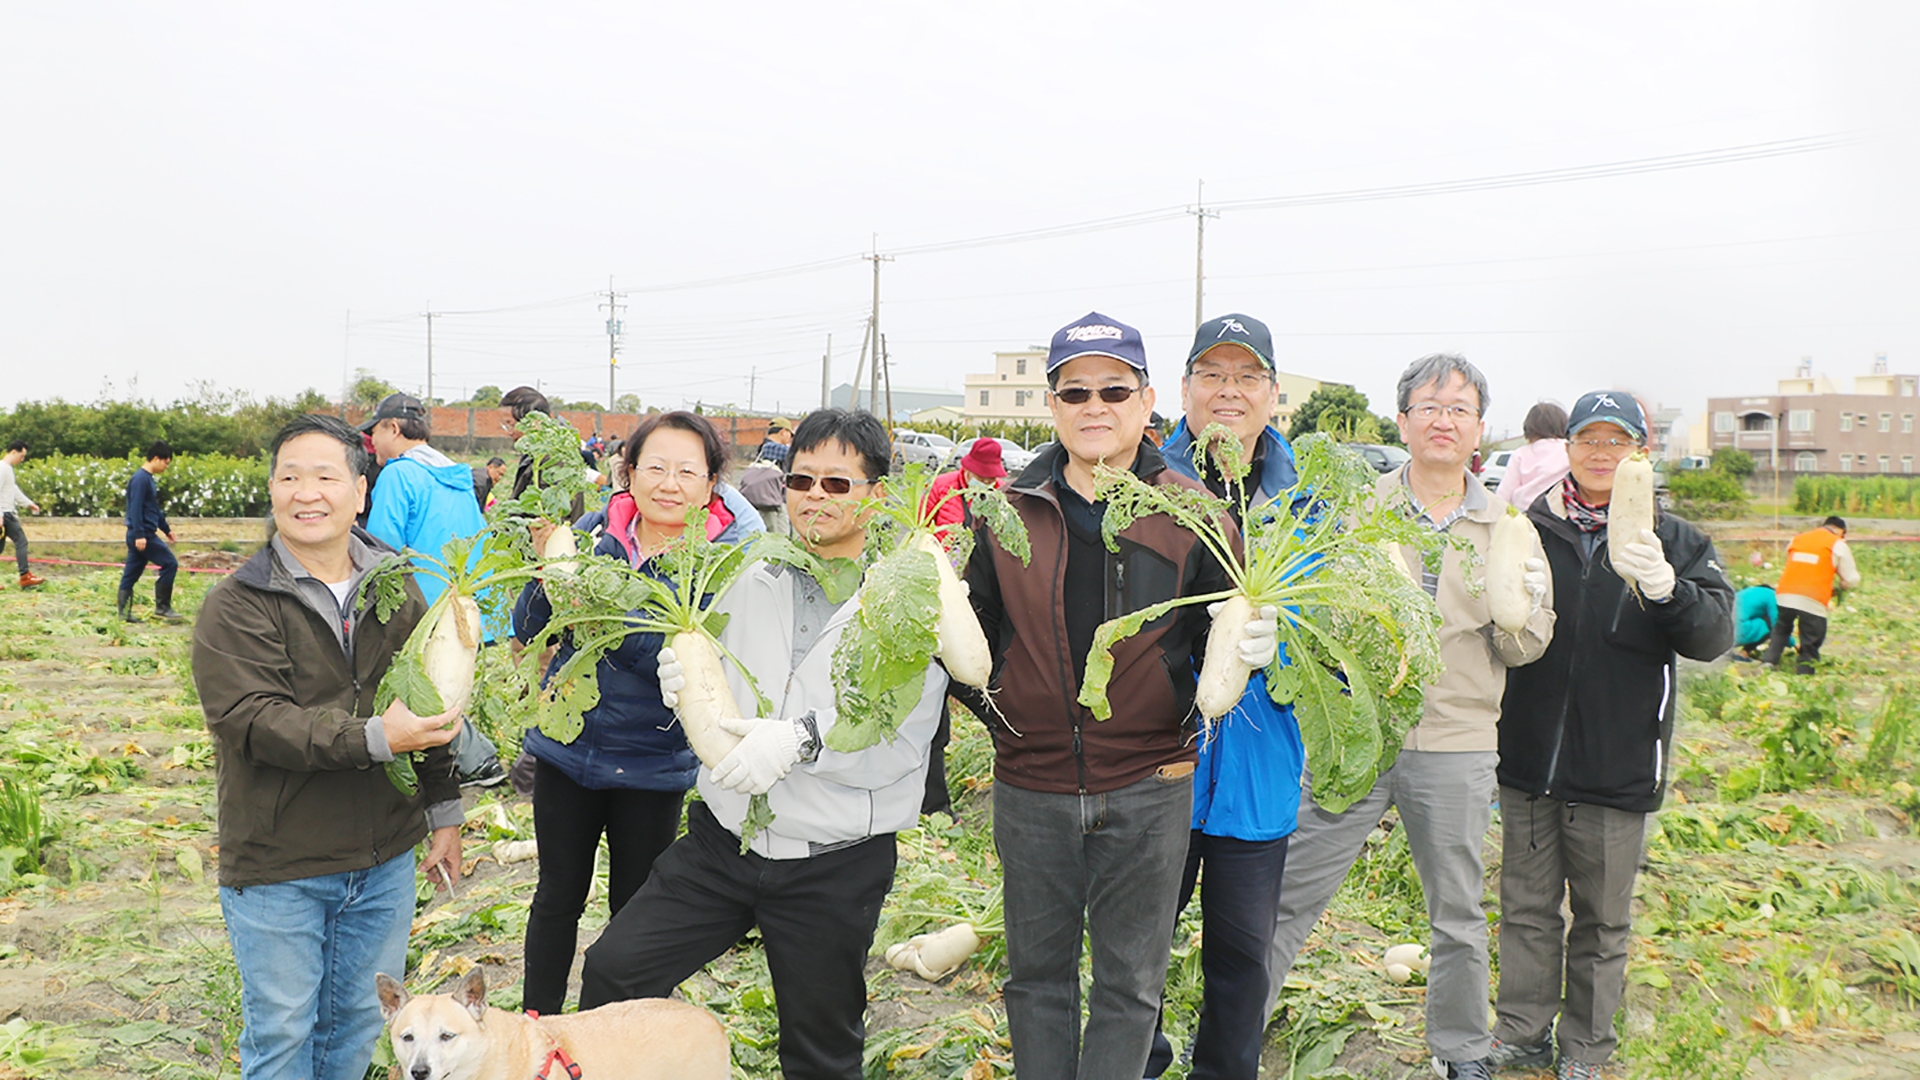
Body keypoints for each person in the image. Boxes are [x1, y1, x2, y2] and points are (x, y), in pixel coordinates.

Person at [579, 409, 946, 1080]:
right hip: (724, 842)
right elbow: (717, 670)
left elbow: (901, 739)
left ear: (878, 494)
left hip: (833, 860)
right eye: (802, 480)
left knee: (819, 1046)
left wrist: (802, 741)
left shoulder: (908, 596)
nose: (814, 497)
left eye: (838, 484)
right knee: (613, 972)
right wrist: (683, 676)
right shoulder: (753, 569)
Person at [959, 312, 1253, 1079]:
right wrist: (1003, 719)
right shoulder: (1003, 509)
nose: (1095, 406)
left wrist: (1241, 659)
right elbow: (969, 642)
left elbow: (1222, 637)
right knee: (1036, 981)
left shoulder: (1198, 514)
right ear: (1052, 405)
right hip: (1032, 785)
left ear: (1146, 400)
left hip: (1151, 784)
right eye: (1075, 390)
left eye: (1114, 390)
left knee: (1130, 987)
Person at [1265, 354, 1554, 1080]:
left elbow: (1528, 643)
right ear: (1403, 421)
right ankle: (1236, 1030)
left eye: (1458, 408)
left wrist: (1509, 611)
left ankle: (1461, 1051)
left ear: (1480, 429)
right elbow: (1320, 607)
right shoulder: (1357, 511)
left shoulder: (1508, 526)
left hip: (1457, 740)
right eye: (1428, 406)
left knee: (1456, 910)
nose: (1443, 419)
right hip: (1358, 735)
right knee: (1289, 891)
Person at [191, 413, 464, 1080]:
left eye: (324, 476)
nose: (306, 493)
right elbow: (252, 721)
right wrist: (375, 737)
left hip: (384, 863)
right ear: (272, 490)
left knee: (355, 1032)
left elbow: (427, 700)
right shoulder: (237, 603)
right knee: (283, 1034)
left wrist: (446, 811)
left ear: (360, 490)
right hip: (282, 864)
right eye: (289, 477)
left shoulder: (396, 587)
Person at [1493, 390, 1733, 1080]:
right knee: (1527, 911)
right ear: (1567, 448)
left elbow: (1713, 636)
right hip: (1529, 759)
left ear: (1640, 453)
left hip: (1619, 763)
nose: (1601, 455)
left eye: (1616, 442)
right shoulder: (1527, 527)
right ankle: (1523, 1032)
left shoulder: (1679, 541)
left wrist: (1666, 589)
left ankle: (1586, 1050)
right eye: (1588, 441)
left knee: (1601, 923)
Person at [513, 410, 761, 1017]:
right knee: (556, 898)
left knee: (634, 911)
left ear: (711, 484)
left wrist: (594, 604)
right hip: (566, 752)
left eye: (686, 470)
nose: (668, 483)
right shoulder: (592, 534)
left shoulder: (725, 563)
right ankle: (536, 1028)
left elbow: (668, 657)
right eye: (654, 466)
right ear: (628, 472)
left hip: (654, 763)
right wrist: (551, 575)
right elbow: (528, 629)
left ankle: (623, 1034)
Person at [1141, 313, 1302, 1080]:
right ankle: (1136, 1064)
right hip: (1152, 769)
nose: (1229, 392)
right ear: (1184, 389)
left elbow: (1348, 629)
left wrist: (1289, 634)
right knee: (1135, 949)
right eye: (1213, 375)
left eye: (1247, 377)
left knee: (1241, 962)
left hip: (1259, 774)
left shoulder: (1311, 501)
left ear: (1273, 394)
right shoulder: (1140, 481)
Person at [361, 392, 506, 789]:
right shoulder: (456, 474)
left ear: (393, 428)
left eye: (374, 432)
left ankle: (478, 761)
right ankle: (466, 762)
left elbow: (381, 545)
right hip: (462, 599)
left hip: (419, 602)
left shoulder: (398, 473)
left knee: (422, 686)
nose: (371, 443)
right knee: (443, 682)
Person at [1760, 515, 1860, 674]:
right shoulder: (1837, 544)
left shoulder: (1798, 539)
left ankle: (1768, 662)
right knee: (1811, 636)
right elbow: (1852, 579)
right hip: (1813, 597)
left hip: (1786, 593)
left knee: (1781, 628)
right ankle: (1805, 671)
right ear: (1841, 531)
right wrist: (1841, 587)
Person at [120, 440, 183, 623]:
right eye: (166, 462)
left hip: (141, 534)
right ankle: (162, 608)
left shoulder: (147, 479)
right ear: (156, 458)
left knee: (131, 574)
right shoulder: (140, 479)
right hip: (143, 535)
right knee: (170, 564)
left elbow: (153, 509)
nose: (166, 467)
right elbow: (135, 509)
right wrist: (140, 534)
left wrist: (166, 529)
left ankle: (124, 614)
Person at [923, 437, 1009, 544]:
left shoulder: (1002, 492)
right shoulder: (940, 485)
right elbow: (922, 527)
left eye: (991, 478)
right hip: (947, 556)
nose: (986, 482)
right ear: (969, 469)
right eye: (981, 478)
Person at [1495, 401, 1571, 510]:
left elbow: (1504, 494)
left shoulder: (1521, 454)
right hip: (1559, 513)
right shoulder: (1568, 449)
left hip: (1525, 513)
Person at [0, 441, 46, 588]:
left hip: (5, 513)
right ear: (14, 452)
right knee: (21, 541)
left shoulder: (7, 469)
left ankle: (25, 576)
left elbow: (12, 490)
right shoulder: (2, 468)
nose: (22, 459)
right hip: (5, 514)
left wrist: (28, 503)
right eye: (22, 455)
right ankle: (25, 576)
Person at [1732, 583, 1779, 659]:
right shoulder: (1772, 595)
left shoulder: (1746, 591)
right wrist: (1793, 644)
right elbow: (1777, 625)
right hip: (1737, 634)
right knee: (1769, 622)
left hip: (1720, 634)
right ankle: (1745, 652)